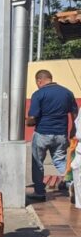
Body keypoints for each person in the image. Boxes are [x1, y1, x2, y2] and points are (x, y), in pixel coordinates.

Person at [26, 69, 79, 201]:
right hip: (61, 134)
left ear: (39, 81)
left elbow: (32, 117)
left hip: (42, 133)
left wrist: (27, 122)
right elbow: (75, 113)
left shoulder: (38, 94)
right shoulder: (67, 93)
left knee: (38, 162)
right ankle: (71, 183)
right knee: (60, 161)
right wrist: (73, 129)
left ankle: (39, 192)